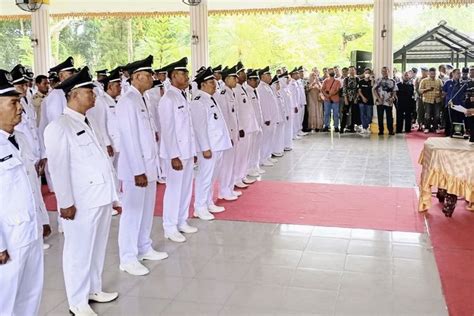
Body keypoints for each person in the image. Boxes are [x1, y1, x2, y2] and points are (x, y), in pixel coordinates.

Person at [44, 67, 119, 316]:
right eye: (90, 91)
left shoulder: (90, 121)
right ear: (74, 94)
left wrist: (113, 196)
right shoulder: (59, 127)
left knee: (97, 247)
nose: (94, 96)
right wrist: (65, 202)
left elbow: (102, 161)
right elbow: (58, 169)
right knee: (78, 251)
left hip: (100, 197)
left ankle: (93, 289)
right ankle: (77, 302)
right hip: (80, 202)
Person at [0, 69, 49, 316]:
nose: (20, 107)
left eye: (19, 101)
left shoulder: (21, 138)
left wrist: (44, 219)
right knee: (6, 299)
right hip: (8, 238)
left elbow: (32, 186)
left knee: (31, 294)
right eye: (13, 102)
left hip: (31, 230)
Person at [116, 56, 168, 275]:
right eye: (148, 76)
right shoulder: (127, 101)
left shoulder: (142, 98)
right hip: (135, 170)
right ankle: (127, 257)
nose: (152, 79)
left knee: (146, 211)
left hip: (148, 166)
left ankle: (143, 247)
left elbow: (148, 136)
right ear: (137, 77)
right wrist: (138, 170)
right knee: (132, 212)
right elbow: (129, 139)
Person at [159, 57, 198, 243]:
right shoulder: (168, 98)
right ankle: (169, 226)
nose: (187, 76)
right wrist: (174, 155)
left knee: (186, 188)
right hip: (176, 154)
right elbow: (168, 130)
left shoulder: (182, 95)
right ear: (174, 76)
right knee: (174, 190)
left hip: (187, 151)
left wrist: (193, 150)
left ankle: (182, 220)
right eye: (184, 73)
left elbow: (187, 127)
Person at [190, 67, 232, 220]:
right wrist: (205, 148)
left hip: (218, 144)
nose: (214, 85)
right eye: (210, 83)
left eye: (214, 82)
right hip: (209, 147)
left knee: (212, 177)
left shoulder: (209, 98)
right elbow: (199, 128)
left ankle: (208, 202)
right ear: (202, 85)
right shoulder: (198, 101)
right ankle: (199, 207)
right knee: (204, 177)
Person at [215, 65, 242, 201]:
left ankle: (229, 188)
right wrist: (228, 136)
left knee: (232, 162)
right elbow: (224, 118)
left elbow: (234, 115)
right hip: (228, 135)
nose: (236, 80)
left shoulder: (231, 92)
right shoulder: (223, 94)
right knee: (226, 164)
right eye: (233, 78)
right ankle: (223, 190)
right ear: (226, 79)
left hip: (234, 133)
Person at [233, 62, 258, 187]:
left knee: (246, 153)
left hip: (248, 126)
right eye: (242, 73)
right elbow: (235, 112)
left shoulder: (242, 88)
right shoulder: (235, 90)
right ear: (237, 75)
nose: (245, 75)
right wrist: (240, 127)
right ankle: (236, 178)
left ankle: (242, 175)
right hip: (242, 128)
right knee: (240, 154)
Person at [257, 67, 278, 167]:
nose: (270, 77)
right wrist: (267, 118)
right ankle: (262, 158)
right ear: (262, 77)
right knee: (265, 139)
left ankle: (267, 156)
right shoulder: (261, 88)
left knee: (270, 138)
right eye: (268, 75)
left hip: (272, 117)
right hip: (267, 119)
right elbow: (263, 105)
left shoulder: (267, 87)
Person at [373, 66, 398, 135]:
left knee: (389, 116)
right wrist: (378, 98)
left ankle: (390, 130)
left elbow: (395, 90)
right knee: (380, 116)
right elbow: (374, 90)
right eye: (383, 71)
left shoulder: (392, 81)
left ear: (388, 71)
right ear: (381, 72)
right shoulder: (378, 80)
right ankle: (381, 130)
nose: (384, 72)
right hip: (380, 101)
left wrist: (392, 97)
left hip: (388, 101)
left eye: (386, 71)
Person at [419, 67, 443, 133]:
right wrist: (427, 89)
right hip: (427, 100)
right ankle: (427, 127)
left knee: (437, 115)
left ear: (436, 73)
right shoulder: (424, 80)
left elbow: (442, 90)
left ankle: (435, 127)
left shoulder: (439, 80)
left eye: (434, 73)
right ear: (429, 73)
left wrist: (441, 93)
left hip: (437, 100)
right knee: (427, 115)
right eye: (431, 73)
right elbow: (420, 91)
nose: (433, 75)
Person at [443, 69, 467, 136]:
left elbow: (465, 93)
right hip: (450, 104)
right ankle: (448, 133)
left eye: (460, 73)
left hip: (460, 105)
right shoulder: (448, 82)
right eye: (457, 73)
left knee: (459, 119)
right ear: (453, 74)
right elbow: (444, 93)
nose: (459, 75)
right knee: (449, 120)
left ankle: (459, 133)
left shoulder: (463, 83)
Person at [321, 67, 342, 132]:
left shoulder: (337, 81)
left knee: (336, 114)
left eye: (332, 71)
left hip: (335, 100)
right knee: (326, 113)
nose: (331, 72)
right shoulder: (325, 81)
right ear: (328, 73)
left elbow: (337, 90)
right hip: (327, 100)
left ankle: (336, 126)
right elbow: (322, 89)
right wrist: (326, 95)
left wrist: (330, 95)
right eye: (329, 71)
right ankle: (326, 126)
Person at [341, 66, 360, 133]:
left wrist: (356, 98)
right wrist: (345, 98)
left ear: (355, 71)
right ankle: (342, 128)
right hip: (347, 98)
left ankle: (352, 128)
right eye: (350, 70)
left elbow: (358, 90)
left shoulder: (357, 79)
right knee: (345, 113)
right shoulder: (346, 79)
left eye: (353, 70)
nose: (352, 71)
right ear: (348, 71)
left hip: (354, 98)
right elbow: (344, 89)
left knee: (353, 113)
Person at [357, 68, 374, 134]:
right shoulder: (361, 81)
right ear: (364, 73)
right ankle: (364, 127)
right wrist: (363, 98)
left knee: (369, 115)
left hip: (370, 101)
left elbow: (372, 87)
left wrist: (372, 79)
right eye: (366, 72)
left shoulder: (371, 81)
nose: (367, 74)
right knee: (362, 114)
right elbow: (359, 91)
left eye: (368, 73)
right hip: (362, 101)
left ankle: (367, 126)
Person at [306, 67, 323, 132]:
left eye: (315, 75)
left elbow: (321, 89)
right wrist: (312, 84)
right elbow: (307, 89)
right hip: (311, 98)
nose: (314, 76)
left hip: (317, 99)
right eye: (312, 75)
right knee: (312, 111)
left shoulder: (318, 81)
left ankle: (318, 126)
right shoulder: (308, 82)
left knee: (318, 111)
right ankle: (311, 125)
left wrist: (318, 85)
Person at [415, 67, 429, 131]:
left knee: (427, 112)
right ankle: (420, 125)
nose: (423, 72)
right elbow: (416, 88)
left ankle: (426, 125)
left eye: (425, 71)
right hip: (420, 97)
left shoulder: (429, 79)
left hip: (427, 98)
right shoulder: (418, 79)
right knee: (420, 111)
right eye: (422, 71)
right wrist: (420, 94)